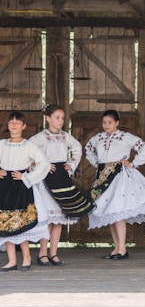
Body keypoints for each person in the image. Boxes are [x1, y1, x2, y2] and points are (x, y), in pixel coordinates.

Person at [85, 109, 145, 260]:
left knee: (117, 211)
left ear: (117, 123)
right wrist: (96, 163)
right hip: (103, 177)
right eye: (104, 122)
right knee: (109, 212)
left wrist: (133, 163)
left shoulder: (125, 137)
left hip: (119, 176)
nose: (106, 125)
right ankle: (116, 248)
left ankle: (122, 249)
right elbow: (88, 149)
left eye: (110, 122)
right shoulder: (98, 138)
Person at [29, 104, 94, 267]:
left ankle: (54, 253)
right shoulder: (40, 138)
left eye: (62, 118)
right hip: (47, 182)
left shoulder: (66, 137)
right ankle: (42, 254)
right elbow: (28, 152)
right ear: (48, 118)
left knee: (58, 220)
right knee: (48, 219)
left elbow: (78, 148)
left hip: (62, 179)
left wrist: (71, 164)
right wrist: (42, 165)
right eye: (57, 117)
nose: (60, 121)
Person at [0, 111, 51, 272]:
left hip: (21, 185)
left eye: (17, 122)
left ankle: (27, 257)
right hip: (4, 186)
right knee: (5, 223)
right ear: (7, 126)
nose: (14, 125)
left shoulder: (29, 146)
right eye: (11, 122)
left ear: (24, 126)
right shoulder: (1, 144)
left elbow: (44, 164)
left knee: (21, 222)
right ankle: (11, 260)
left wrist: (27, 177)